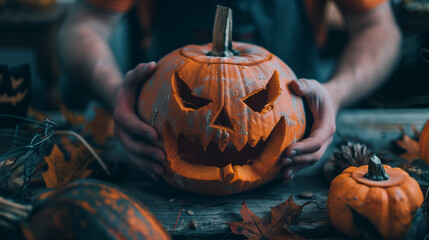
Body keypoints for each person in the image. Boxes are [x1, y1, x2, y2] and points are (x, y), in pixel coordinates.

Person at [58, 0, 401, 181]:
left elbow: (378, 27)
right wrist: (114, 90)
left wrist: (336, 93)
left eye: (257, 99)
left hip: (302, 159)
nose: (223, 123)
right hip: (153, 156)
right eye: (193, 98)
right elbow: (84, 25)